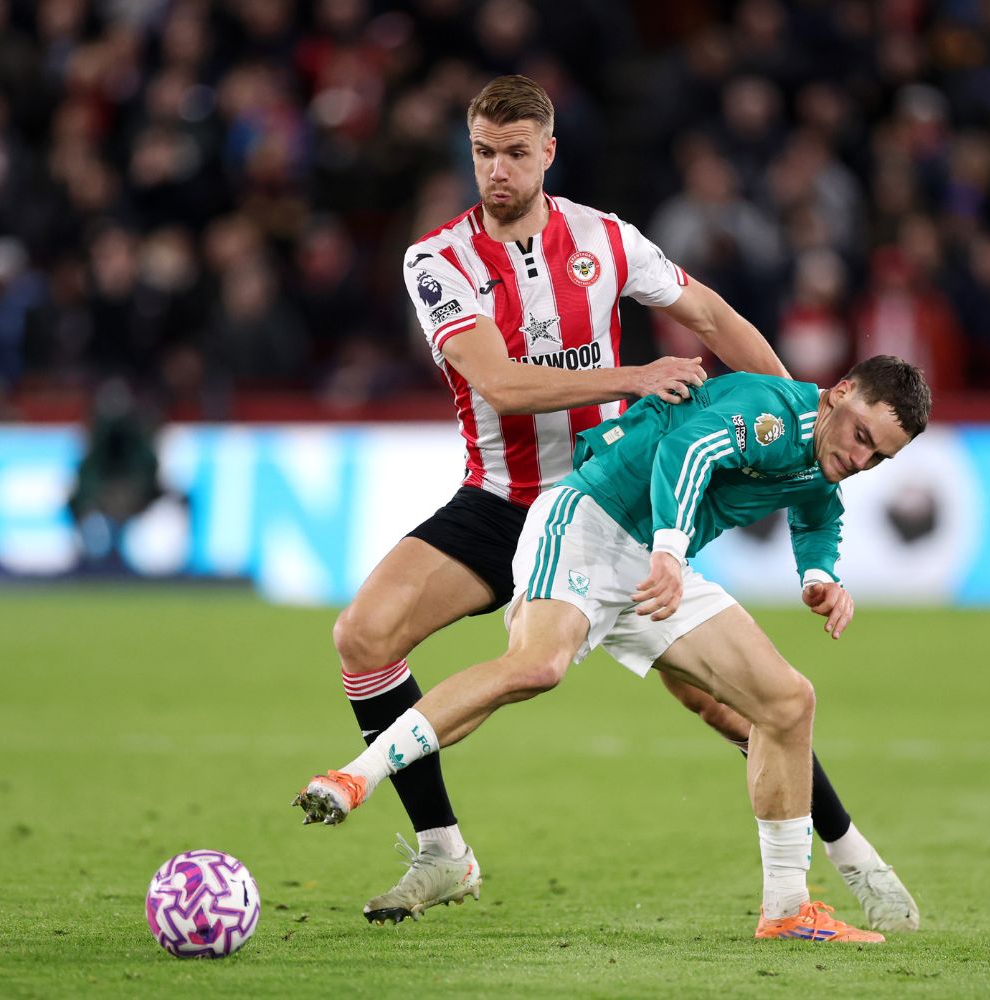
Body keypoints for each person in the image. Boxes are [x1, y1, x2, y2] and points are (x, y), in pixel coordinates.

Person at [318, 74, 917, 932]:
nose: (498, 172)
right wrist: (636, 375)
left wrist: (792, 423)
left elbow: (708, 314)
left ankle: (843, 851)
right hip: (502, 497)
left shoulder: (604, 237)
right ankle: (441, 850)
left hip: (613, 497)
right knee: (363, 637)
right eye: (484, 153)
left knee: (735, 704)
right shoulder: (436, 259)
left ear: (548, 153)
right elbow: (499, 384)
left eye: (517, 154)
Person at [297, 356, 930, 943]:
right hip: (590, 524)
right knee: (538, 666)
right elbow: (687, 449)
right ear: (839, 394)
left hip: (654, 560)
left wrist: (819, 577)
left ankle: (788, 910)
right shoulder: (773, 412)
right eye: (861, 436)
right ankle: (357, 777)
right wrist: (671, 551)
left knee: (787, 701)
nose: (860, 457)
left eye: (880, 458)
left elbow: (818, 511)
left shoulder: (821, 454)